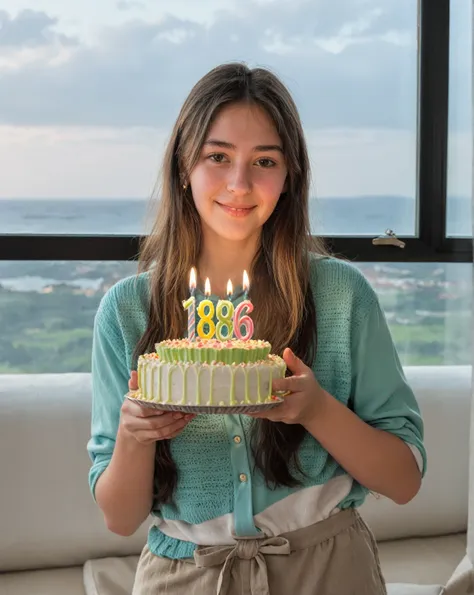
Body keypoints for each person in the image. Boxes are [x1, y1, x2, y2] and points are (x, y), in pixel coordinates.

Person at [87, 62, 426, 595]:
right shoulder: (126, 311)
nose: (239, 184)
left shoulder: (342, 297)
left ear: (289, 175)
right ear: (184, 164)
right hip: (186, 578)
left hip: (329, 570)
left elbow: (404, 481)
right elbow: (119, 517)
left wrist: (315, 409)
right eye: (217, 156)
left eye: (264, 161)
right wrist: (134, 436)